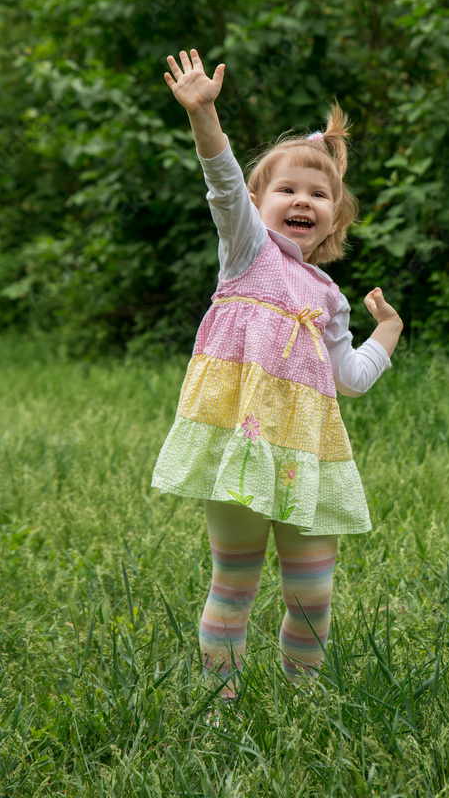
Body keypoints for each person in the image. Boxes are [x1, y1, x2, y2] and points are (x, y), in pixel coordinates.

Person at [151, 48, 404, 702]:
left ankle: (302, 705)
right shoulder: (246, 252)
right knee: (232, 588)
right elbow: (222, 180)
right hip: (243, 450)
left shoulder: (328, 296)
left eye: (318, 194)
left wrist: (388, 332)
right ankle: (221, 707)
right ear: (257, 205)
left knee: (312, 599)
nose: (302, 200)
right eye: (287, 189)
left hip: (308, 458)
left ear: (334, 217)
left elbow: (348, 377)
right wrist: (204, 113)